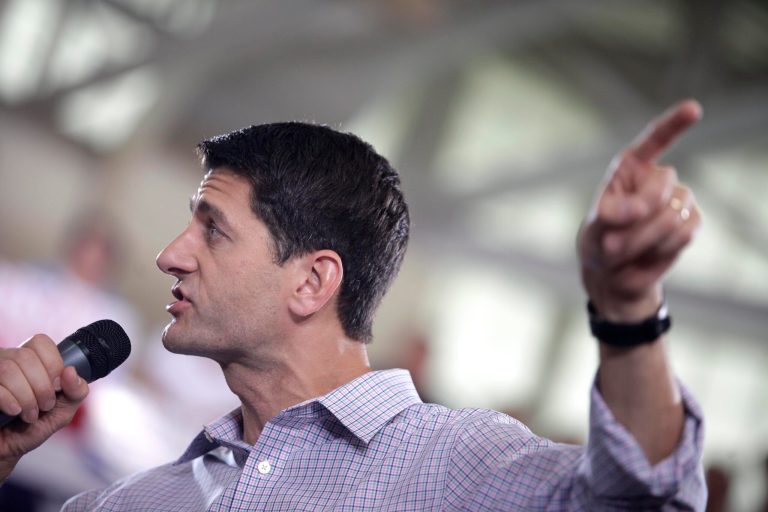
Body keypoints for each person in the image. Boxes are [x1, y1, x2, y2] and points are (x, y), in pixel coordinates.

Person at [0, 100, 706, 510]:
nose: (168, 256)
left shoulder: (455, 466)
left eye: (212, 229)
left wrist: (628, 307)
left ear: (313, 282)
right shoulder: (132, 500)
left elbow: (641, 498)